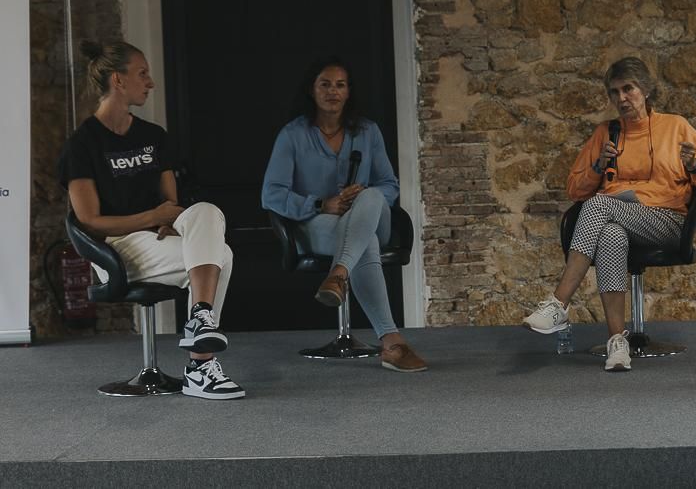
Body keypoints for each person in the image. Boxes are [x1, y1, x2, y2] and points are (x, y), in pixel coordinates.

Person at [59, 40, 244, 400]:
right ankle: (200, 365)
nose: (151, 82)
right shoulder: (81, 146)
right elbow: (91, 222)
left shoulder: (153, 137)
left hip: (158, 238)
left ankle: (199, 320)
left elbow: (170, 203)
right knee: (221, 256)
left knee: (206, 212)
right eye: (142, 73)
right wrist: (153, 216)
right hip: (115, 249)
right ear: (118, 80)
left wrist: (166, 219)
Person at [523, 57, 696, 371]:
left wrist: (694, 165)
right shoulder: (607, 133)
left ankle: (558, 303)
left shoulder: (676, 126)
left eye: (628, 89)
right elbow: (575, 189)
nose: (622, 98)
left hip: (667, 221)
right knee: (610, 235)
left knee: (599, 205)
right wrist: (600, 165)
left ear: (644, 90)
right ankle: (617, 342)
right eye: (614, 92)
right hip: (620, 219)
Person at [261, 56, 426, 373]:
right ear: (312, 90)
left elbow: (389, 185)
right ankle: (392, 343)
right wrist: (322, 204)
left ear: (349, 92)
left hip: (375, 220)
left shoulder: (368, 131)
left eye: (340, 85)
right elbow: (271, 194)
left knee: (373, 194)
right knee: (366, 245)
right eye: (325, 84)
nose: (332, 91)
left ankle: (338, 275)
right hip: (319, 224)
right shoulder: (292, 135)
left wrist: (361, 199)